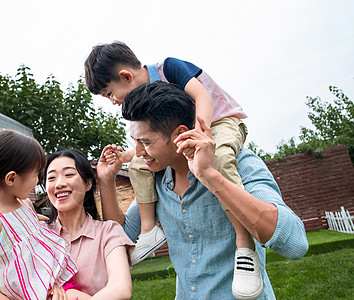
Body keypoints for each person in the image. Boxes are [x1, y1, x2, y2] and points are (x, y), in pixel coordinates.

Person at [97, 81, 309, 299]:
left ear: (179, 134)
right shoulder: (156, 180)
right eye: (135, 142)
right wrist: (106, 181)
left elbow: (295, 245)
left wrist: (210, 176)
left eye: (146, 142)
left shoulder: (239, 164)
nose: (139, 153)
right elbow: (121, 236)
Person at [84, 41, 256, 297]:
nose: (112, 102)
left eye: (109, 94)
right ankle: (148, 229)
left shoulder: (169, 69)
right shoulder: (147, 105)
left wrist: (200, 135)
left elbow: (202, 98)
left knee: (218, 158)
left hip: (219, 122)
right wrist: (128, 157)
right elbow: (157, 140)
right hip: (187, 135)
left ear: (126, 76)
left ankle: (244, 243)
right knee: (139, 166)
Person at [0, 130, 85, 300]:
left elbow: (31, 235)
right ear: (11, 179)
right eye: (35, 174)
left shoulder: (25, 205)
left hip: (57, 284)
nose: (37, 181)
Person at [43, 149, 134, 299]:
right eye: (51, 178)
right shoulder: (38, 234)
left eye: (69, 175)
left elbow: (121, 288)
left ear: (88, 183)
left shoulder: (108, 232)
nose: (59, 184)